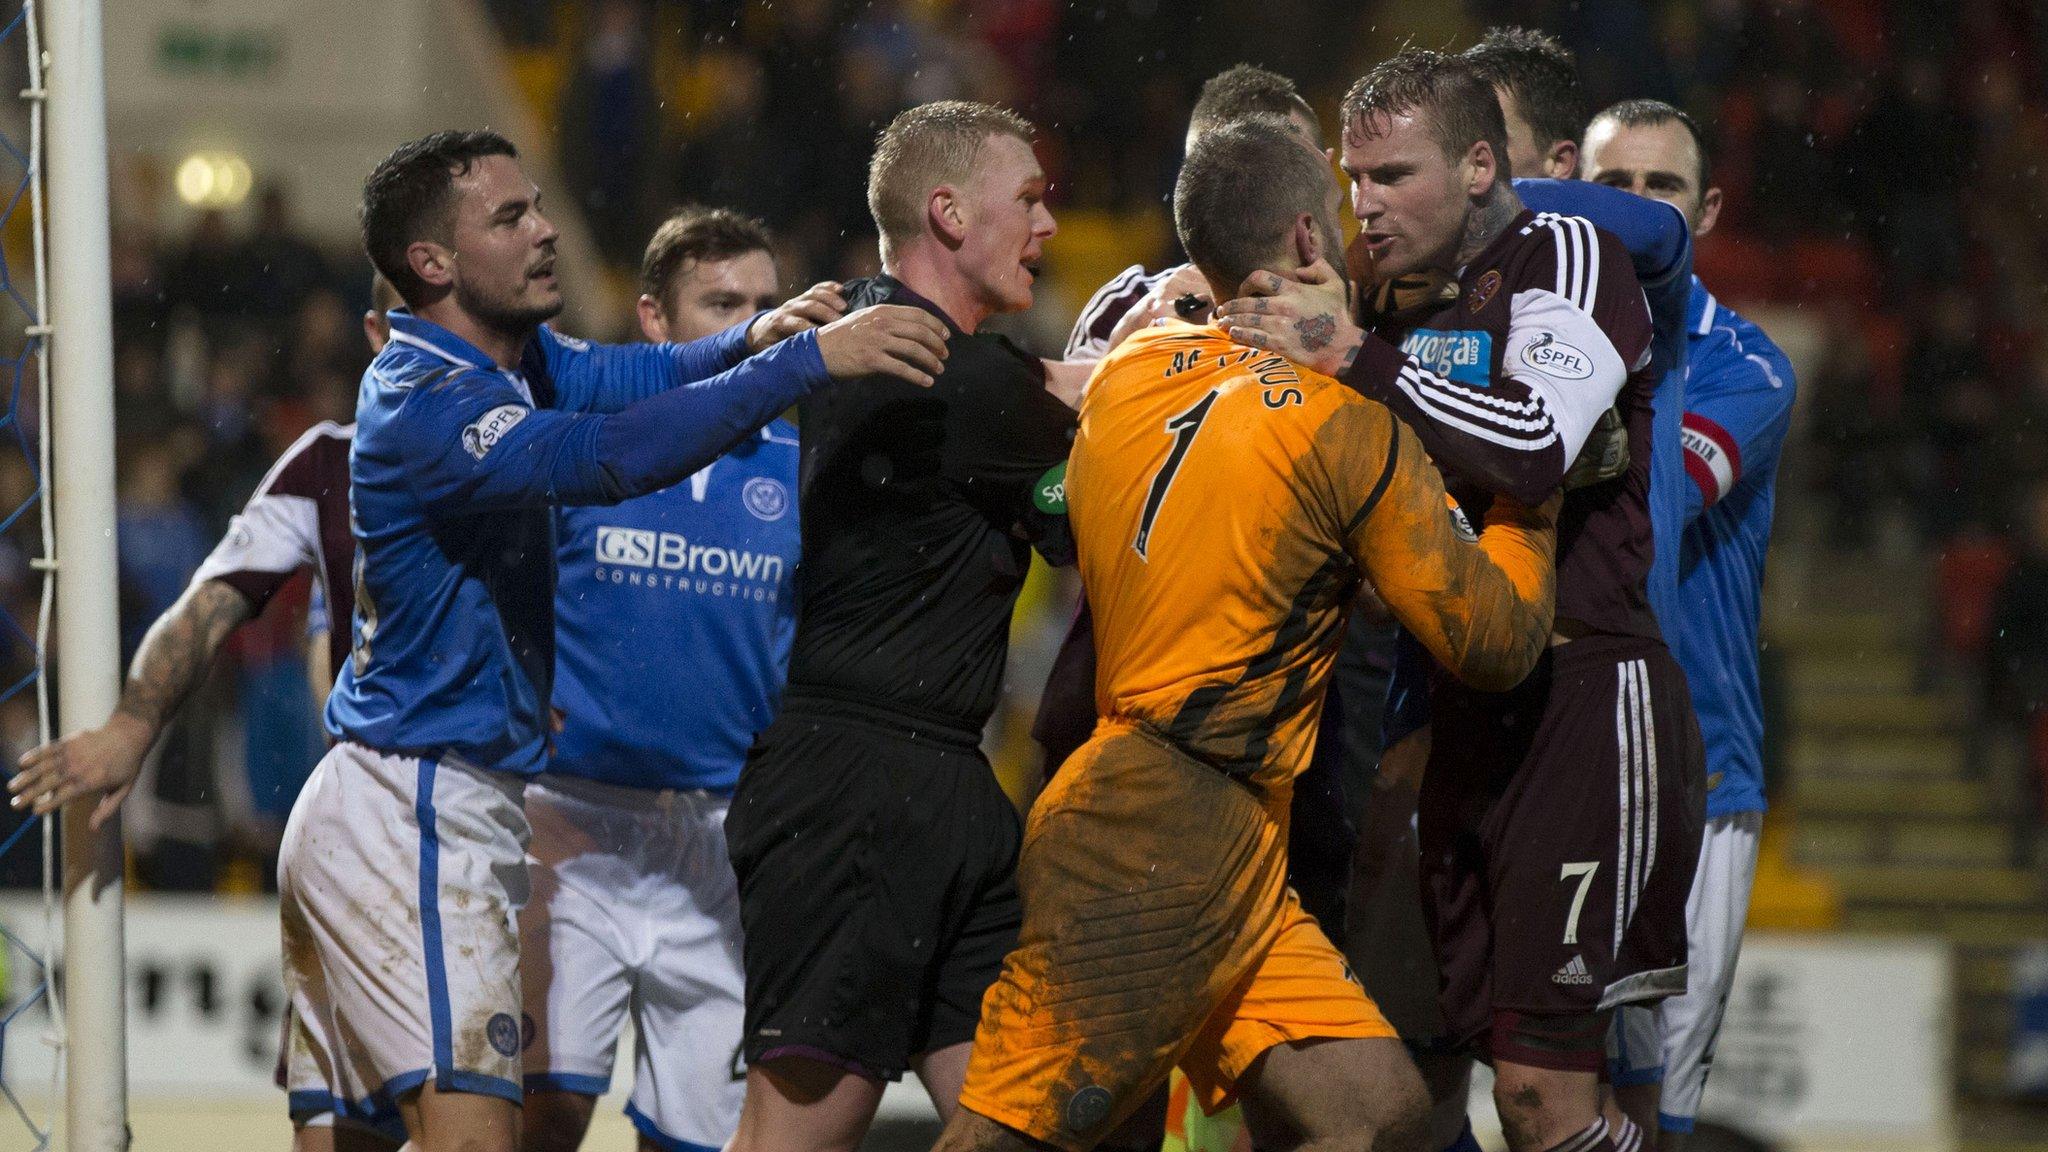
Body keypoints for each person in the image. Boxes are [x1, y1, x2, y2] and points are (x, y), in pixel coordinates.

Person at [282, 130, 947, 1152]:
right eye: (509, 218)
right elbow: (608, 454)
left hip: (414, 798)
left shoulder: (511, 361)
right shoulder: (432, 404)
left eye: (537, 205)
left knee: (356, 1140)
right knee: (473, 1138)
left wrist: (748, 339)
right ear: (433, 264)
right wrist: (806, 361)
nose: (545, 228)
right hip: (420, 806)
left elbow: (624, 383)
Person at [936, 114, 1560, 1152]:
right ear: (1311, 244)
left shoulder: (1132, 374)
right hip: (1161, 827)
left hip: (1194, 824)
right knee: (1003, 1140)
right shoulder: (1344, 424)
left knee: (1378, 1120)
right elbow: (1492, 640)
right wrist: (1526, 506)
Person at [1217, 51, 1705, 1152]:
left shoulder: (1565, 252)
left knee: (1541, 1096)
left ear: (1481, 165)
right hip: (1443, 714)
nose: (1364, 205)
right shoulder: (1389, 299)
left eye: (1391, 174)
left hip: (1580, 696)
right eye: (1352, 179)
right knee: (1407, 1088)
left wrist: (1352, 358)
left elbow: (1532, 447)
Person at [723, 101, 1078, 1152]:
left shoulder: (871, 348)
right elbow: (1108, 438)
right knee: (795, 1132)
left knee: (1018, 1123)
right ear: (947, 213)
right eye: (1027, 199)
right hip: (857, 786)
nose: (1048, 226)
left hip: (937, 782)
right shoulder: (942, 375)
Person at [519, 207, 814, 1152]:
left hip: (724, 842)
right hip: (569, 825)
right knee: (543, 1117)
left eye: (769, 302)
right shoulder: (581, 444)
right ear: (654, 319)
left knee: (696, 1142)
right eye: (725, 303)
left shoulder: (808, 467)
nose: (758, 324)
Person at [1582, 100, 1797, 1151]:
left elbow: (1656, 500)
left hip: (1695, 780)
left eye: (1657, 188)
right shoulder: (1523, 334)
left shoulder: (1743, 368)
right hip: (1556, 764)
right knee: (1524, 1090)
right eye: (1607, 187)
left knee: (1651, 1118)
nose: (1632, 212)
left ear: (1703, 210)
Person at [8, 274, 395, 828]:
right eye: (415, 323)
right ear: (376, 334)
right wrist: (130, 727)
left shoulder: (541, 452)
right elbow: (212, 604)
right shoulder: (327, 467)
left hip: (529, 802)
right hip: (387, 818)